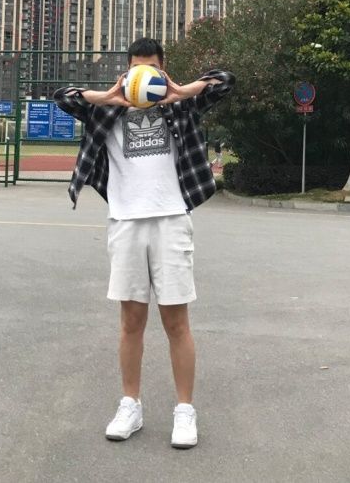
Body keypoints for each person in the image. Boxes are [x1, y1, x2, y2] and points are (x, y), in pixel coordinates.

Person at [53, 38, 234, 449]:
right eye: (136, 68)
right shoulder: (107, 110)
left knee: (176, 322)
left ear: (162, 69)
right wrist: (108, 95)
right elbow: (62, 96)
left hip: (171, 219)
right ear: (126, 70)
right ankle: (130, 405)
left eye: (151, 68)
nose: (143, 75)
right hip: (125, 221)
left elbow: (225, 81)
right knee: (131, 322)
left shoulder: (180, 106)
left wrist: (181, 90)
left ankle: (184, 410)